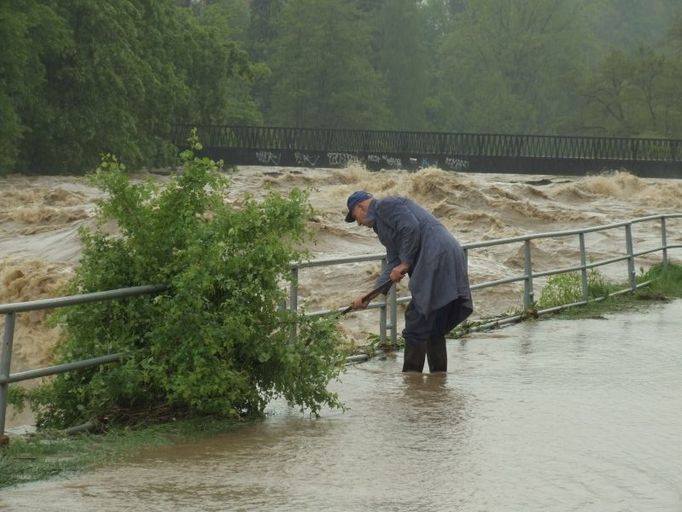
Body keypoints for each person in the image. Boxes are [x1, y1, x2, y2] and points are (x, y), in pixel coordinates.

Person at [345, 190, 473, 373]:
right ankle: (438, 381)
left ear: (361, 206)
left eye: (354, 216)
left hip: (435, 255)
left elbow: (410, 228)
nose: (357, 222)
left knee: (416, 321)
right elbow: (393, 263)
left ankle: (412, 384)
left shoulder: (385, 205)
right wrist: (369, 297)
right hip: (448, 254)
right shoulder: (382, 226)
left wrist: (405, 263)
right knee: (433, 324)